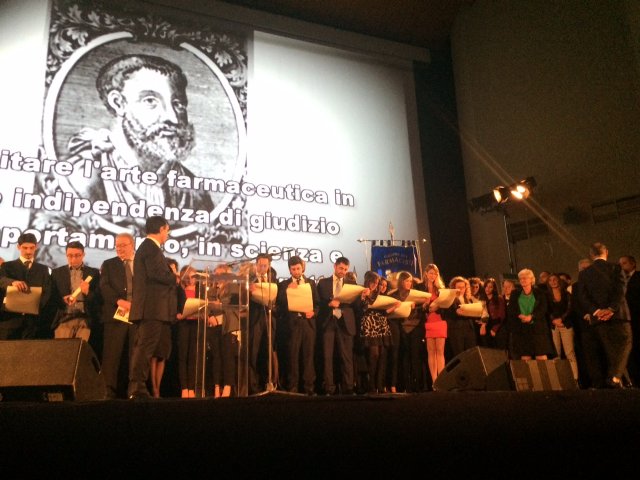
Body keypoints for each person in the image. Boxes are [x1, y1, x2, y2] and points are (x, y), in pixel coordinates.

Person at [30, 54, 217, 257]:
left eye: (178, 104)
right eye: (151, 101)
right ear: (118, 103)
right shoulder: (78, 179)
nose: (172, 118)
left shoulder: (195, 192)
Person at [127, 216, 178, 400]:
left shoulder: (147, 248)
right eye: (167, 231)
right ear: (161, 229)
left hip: (150, 308)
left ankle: (137, 386)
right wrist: (174, 277)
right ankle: (137, 387)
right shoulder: (151, 248)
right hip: (152, 308)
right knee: (144, 348)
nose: (167, 235)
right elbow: (157, 274)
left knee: (144, 347)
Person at [578, 242, 632, 389]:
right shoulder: (616, 267)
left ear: (591, 255)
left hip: (599, 318)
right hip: (619, 315)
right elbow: (621, 290)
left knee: (611, 351)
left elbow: (583, 296)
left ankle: (620, 381)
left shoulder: (584, 273)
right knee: (625, 343)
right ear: (606, 252)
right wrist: (611, 309)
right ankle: (615, 377)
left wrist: (597, 311)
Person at [99, 232, 136, 399]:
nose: (119, 248)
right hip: (115, 315)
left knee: (135, 355)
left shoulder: (141, 264)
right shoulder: (109, 264)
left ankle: (134, 390)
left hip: (137, 316)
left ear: (132, 245)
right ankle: (108, 391)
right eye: (117, 245)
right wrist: (119, 301)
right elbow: (104, 287)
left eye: (123, 245)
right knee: (112, 356)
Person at [276, 255, 319, 395]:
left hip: (308, 324)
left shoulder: (311, 283)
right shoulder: (284, 284)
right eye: (293, 269)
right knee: (292, 357)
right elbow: (279, 304)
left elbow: (318, 304)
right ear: (289, 270)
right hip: (292, 325)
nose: (296, 271)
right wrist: (288, 290)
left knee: (308, 357)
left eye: (298, 268)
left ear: (302, 268)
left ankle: (309, 387)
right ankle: (293, 387)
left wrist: (314, 312)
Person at [317, 256, 359, 395]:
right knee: (327, 357)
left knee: (346, 356)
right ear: (334, 266)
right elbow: (318, 303)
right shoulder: (323, 283)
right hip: (328, 321)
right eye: (341, 268)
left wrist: (362, 296)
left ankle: (348, 387)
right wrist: (328, 304)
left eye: (345, 269)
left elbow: (356, 305)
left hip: (345, 322)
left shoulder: (351, 283)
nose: (343, 271)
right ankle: (329, 387)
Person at [0, 233, 52, 340]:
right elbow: (1, 280)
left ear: (36, 247)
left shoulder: (43, 269)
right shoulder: (7, 266)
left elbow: (47, 292)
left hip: (33, 324)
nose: (28, 251)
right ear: (18, 247)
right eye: (25, 248)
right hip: (9, 321)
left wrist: (35, 307)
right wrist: (11, 282)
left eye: (31, 248)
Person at [48, 241, 101, 345]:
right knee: (62, 350)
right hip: (64, 318)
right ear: (66, 255)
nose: (74, 259)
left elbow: (99, 298)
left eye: (77, 255)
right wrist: (62, 300)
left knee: (80, 351)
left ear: (83, 254)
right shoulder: (57, 273)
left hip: (85, 320)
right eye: (70, 256)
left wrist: (87, 292)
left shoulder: (93, 273)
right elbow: (52, 297)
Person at [207, 263, 241, 398]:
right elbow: (207, 305)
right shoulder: (211, 289)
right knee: (216, 357)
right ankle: (217, 386)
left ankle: (228, 386)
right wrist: (209, 315)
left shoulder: (233, 286)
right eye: (216, 274)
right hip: (214, 325)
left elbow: (231, 304)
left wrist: (219, 305)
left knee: (227, 357)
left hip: (228, 325)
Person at [359, 271, 396, 393]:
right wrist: (363, 297)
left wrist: (393, 307)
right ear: (368, 281)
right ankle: (371, 385)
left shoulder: (380, 294)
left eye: (376, 283)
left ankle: (380, 385)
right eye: (373, 282)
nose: (375, 285)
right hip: (370, 324)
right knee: (374, 354)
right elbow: (361, 308)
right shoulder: (363, 292)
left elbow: (383, 311)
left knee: (383, 355)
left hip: (381, 324)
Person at [389, 271, 425, 392]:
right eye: (406, 281)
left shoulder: (416, 294)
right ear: (401, 282)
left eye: (410, 281)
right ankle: (406, 384)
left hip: (416, 326)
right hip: (401, 326)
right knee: (404, 356)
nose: (409, 283)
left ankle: (417, 384)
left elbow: (422, 307)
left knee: (415, 355)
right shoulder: (394, 294)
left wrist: (418, 306)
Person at [248, 253, 278, 394]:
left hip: (269, 319)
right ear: (256, 264)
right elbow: (241, 299)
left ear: (269, 266)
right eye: (260, 265)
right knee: (253, 352)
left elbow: (279, 300)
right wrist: (248, 292)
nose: (262, 268)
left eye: (265, 266)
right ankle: (253, 386)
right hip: (254, 320)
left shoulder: (273, 279)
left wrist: (274, 306)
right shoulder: (250, 279)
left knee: (268, 352)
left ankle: (268, 382)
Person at [507, 268, 553, 361]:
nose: (522, 280)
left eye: (525, 278)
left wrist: (531, 317)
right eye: (521, 278)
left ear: (531, 279)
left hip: (538, 330)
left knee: (541, 357)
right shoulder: (515, 293)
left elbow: (543, 308)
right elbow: (512, 309)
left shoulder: (540, 293)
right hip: (522, 330)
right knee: (525, 357)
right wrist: (519, 316)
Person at [546, 273, 578, 381]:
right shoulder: (547, 295)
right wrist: (554, 320)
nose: (553, 282)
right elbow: (546, 310)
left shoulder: (566, 294)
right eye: (550, 280)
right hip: (553, 326)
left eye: (555, 279)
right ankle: (558, 380)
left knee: (570, 352)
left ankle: (575, 379)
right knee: (556, 353)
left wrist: (561, 319)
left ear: (559, 281)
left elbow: (570, 308)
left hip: (566, 325)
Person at [420, 264, 447, 385]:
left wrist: (438, 306)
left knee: (440, 351)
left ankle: (441, 380)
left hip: (439, 321)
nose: (433, 275)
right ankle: (434, 381)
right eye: (431, 273)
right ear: (426, 273)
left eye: (435, 274)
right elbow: (418, 307)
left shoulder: (440, 289)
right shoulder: (421, 288)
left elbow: (446, 305)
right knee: (431, 351)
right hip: (427, 322)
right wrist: (426, 306)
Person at [441, 276, 477, 359]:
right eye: (459, 287)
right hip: (456, 329)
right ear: (454, 288)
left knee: (471, 354)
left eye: (463, 287)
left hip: (469, 329)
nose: (461, 289)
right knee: (459, 354)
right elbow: (447, 314)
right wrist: (457, 312)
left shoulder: (468, 299)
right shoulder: (450, 299)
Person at [176, 264, 198, 398]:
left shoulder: (200, 290)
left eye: (194, 276)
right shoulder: (179, 290)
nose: (193, 279)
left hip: (196, 324)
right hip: (183, 324)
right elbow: (175, 305)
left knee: (193, 356)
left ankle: (191, 387)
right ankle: (184, 387)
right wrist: (178, 314)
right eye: (190, 276)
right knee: (183, 356)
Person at [619, 255, 640, 386]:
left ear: (633, 264)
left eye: (624, 263)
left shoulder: (638, 278)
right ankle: (635, 380)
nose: (622, 266)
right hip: (627, 321)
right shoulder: (620, 281)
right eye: (620, 264)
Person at [482, 277, 507, 351]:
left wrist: (494, 329)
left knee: (499, 350)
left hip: (497, 327)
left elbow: (502, 315)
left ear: (494, 289)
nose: (487, 289)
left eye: (490, 287)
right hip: (487, 327)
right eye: (486, 286)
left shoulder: (499, 298)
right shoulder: (483, 300)